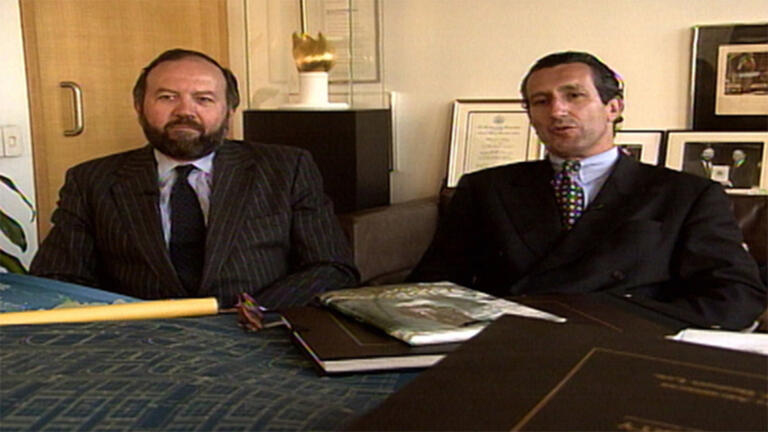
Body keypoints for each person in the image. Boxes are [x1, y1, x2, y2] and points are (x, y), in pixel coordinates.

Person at [409, 51, 765, 330]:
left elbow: (737, 295)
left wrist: (620, 321)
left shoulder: (687, 195)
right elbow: (432, 286)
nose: (557, 110)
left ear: (613, 107)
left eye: (574, 95)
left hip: (627, 348)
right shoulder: (484, 188)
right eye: (541, 101)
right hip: (511, 348)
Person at [30, 49, 359, 309]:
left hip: (258, 331)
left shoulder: (286, 169)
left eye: (203, 99)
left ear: (229, 110)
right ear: (139, 106)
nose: (184, 111)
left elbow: (331, 267)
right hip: (139, 342)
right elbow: (56, 277)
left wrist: (255, 311)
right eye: (167, 97)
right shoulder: (91, 181)